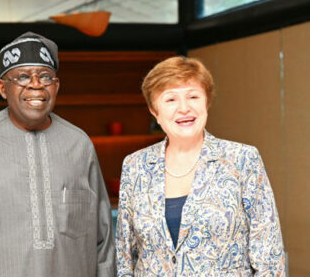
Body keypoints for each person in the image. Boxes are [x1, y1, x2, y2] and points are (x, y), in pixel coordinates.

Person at [0, 32, 115, 277]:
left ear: (57, 86)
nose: (36, 84)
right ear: (2, 88)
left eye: (45, 76)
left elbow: (103, 238)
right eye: (22, 77)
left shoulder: (79, 143)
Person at [116, 56, 285, 276]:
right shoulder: (135, 165)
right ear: (153, 110)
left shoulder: (242, 159)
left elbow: (269, 256)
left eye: (193, 96)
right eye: (171, 100)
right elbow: (124, 255)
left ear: (206, 102)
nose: (184, 108)